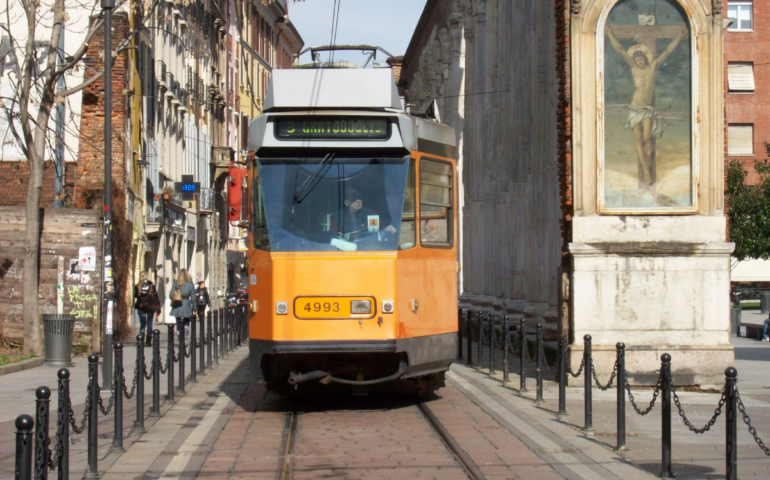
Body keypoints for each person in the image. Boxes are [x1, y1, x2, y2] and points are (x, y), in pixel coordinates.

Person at [605, 25, 688, 186]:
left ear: (646, 59)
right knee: (638, 139)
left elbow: (667, 52)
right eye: (636, 60)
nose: (639, 61)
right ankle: (646, 171)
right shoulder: (634, 69)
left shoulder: (653, 67)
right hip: (635, 107)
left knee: (647, 138)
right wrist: (609, 34)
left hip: (647, 109)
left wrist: (678, 37)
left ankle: (647, 169)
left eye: (641, 59)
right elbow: (621, 51)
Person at [331, 188, 396, 241]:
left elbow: (381, 228)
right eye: (354, 199)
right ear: (346, 203)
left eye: (359, 198)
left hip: (368, 248)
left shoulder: (370, 213)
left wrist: (387, 228)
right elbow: (332, 237)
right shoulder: (338, 218)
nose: (358, 201)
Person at [134, 272, 160, 347]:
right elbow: (156, 296)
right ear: (147, 276)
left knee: (142, 325)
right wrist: (158, 309)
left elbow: (135, 296)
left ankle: (141, 340)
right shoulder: (151, 285)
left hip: (141, 306)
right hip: (150, 306)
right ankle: (148, 341)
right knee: (149, 323)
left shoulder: (138, 285)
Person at [170, 269, 197, 339]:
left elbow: (171, 294)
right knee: (187, 319)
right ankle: (185, 332)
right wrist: (195, 308)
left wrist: (176, 295)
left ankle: (179, 332)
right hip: (186, 303)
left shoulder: (176, 283)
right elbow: (193, 297)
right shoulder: (190, 284)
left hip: (177, 303)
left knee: (178, 319)